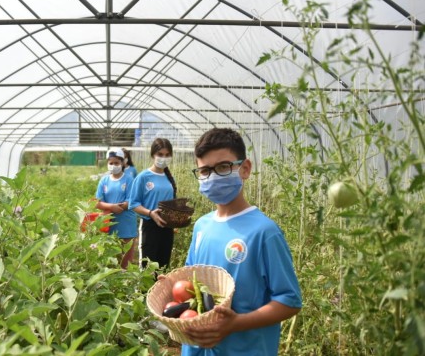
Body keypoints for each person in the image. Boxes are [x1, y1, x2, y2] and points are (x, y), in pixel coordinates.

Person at [180, 128, 302, 355]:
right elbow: (190, 279)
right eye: (205, 170)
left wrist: (236, 323)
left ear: (245, 169)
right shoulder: (202, 226)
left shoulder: (264, 232)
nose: (213, 176)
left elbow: (289, 301)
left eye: (223, 167)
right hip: (197, 348)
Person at [127, 138, 176, 271]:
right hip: (150, 227)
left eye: (167, 155)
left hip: (167, 227)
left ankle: (159, 292)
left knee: (163, 266)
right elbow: (133, 204)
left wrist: (175, 220)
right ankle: (144, 292)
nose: (163, 158)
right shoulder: (144, 177)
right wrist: (150, 213)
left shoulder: (170, 178)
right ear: (153, 155)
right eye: (160, 154)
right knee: (147, 267)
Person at [95, 149, 138, 269]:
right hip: (109, 225)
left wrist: (122, 206)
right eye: (111, 163)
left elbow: (132, 201)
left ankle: (126, 284)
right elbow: (97, 202)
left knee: (126, 261)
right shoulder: (104, 180)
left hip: (126, 225)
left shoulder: (129, 179)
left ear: (123, 163)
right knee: (111, 261)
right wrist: (111, 207)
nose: (113, 166)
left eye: (116, 163)